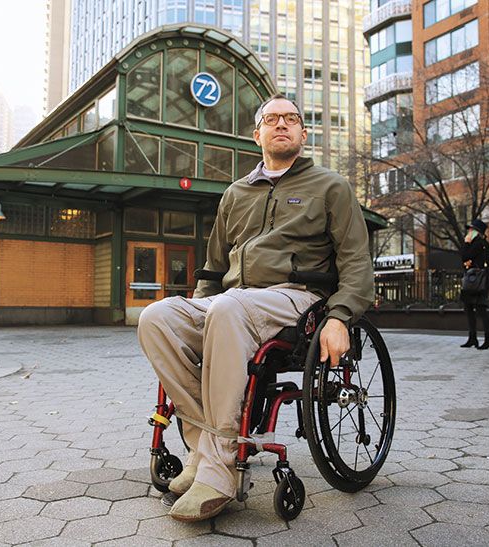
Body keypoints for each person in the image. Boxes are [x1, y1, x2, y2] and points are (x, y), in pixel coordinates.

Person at [137, 93, 374, 522]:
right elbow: (212, 268)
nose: (282, 124)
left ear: (303, 133)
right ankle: (204, 446)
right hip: (230, 301)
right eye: (272, 119)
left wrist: (340, 317)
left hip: (297, 300)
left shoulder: (330, 187)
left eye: (291, 119)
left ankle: (220, 470)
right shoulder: (235, 193)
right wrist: (194, 316)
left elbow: (357, 262)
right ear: (257, 134)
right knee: (157, 318)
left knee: (229, 308)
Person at [460, 219, 489, 350]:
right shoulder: (482, 244)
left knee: (480, 310)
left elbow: (465, 256)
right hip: (474, 281)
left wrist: (467, 244)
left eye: (471, 229)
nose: (468, 232)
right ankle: (473, 338)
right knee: (469, 309)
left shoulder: (479, 244)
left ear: (477, 232)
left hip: (477, 282)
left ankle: (488, 339)